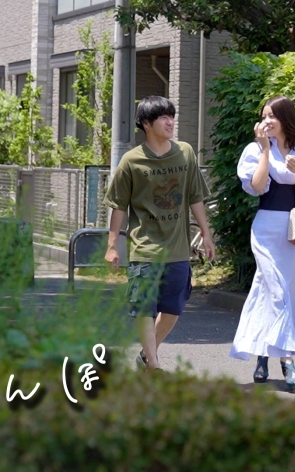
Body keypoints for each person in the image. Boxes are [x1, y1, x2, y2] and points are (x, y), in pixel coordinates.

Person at [104, 95, 215, 372]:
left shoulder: (185, 153)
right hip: (144, 248)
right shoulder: (131, 161)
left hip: (177, 249)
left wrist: (206, 233)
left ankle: (145, 356)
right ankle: (153, 366)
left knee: (173, 308)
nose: (170, 122)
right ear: (146, 124)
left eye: (171, 116)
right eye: (163, 117)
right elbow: (119, 205)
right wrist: (112, 245)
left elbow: (195, 197)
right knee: (144, 308)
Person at [230, 95, 295, 391]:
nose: (267, 121)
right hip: (265, 228)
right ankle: (287, 360)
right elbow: (258, 186)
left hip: (294, 229)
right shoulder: (255, 149)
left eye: (272, 115)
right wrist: (264, 150)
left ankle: (262, 355)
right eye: (263, 116)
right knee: (276, 290)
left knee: (279, 289)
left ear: (286, 118)